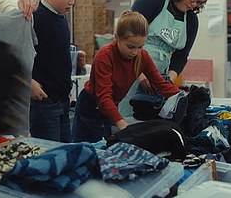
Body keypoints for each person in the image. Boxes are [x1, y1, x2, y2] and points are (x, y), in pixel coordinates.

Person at [71, 11, 181, 143]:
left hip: (109, 106)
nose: (135, 52)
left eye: (140, 47)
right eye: (130, 47)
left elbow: (160, 83)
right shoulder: (104, 56)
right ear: (117, 38)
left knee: (105, 146)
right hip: (90, 106)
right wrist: (121, 123)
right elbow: (104, 97)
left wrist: (181, 95)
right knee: (86, 148)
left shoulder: (143, 56)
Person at [30, 0, 84, 142]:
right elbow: (11, 55)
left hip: (61, 100)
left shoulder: (60, 18)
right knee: (49, 154)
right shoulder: (34, 17)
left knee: (65, 151)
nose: (72, 2)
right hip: (43, 102)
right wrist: (28, 82)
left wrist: (65, 88)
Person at [131, 0, 213, 88]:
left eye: (199, 2)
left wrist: (168, 80)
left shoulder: (191, 20)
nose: (194, 4)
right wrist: (138, 72)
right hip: (131, 68)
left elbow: (181, 55)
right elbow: (127, 37)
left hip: (159, 75)